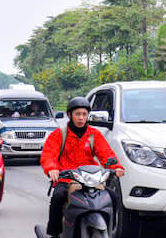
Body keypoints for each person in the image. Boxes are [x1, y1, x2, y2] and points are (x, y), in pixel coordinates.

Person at [40, 97, 124, 238]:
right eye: (77, 114)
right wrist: (52, 168)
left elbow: (106, 153)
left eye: (84, 114)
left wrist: (115, 167)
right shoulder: (59, 134)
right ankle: (54, 233)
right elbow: (49, 154)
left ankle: (112, 230)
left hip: (92, 178)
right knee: (58, 197)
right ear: (70, 115)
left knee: (113, 196)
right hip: (67, 178)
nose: (81, 118)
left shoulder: (94, 134)